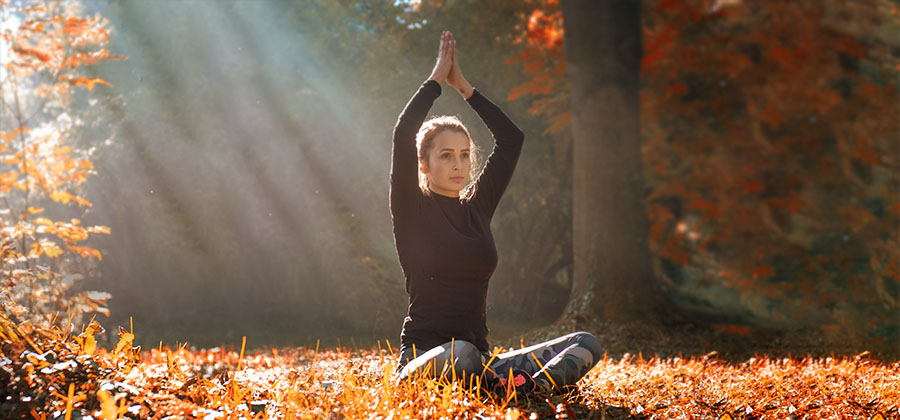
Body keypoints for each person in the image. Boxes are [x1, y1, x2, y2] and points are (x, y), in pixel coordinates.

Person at [390, 30, 602, 395]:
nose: (458, 164)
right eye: (445, 155)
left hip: (483, 360)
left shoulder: (477, 207)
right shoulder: (411, 208)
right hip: (427, 358)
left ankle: (521, 388)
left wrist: (466, 89)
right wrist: (436, 81)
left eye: (463, 155)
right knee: (463, 354)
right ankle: (509, 388)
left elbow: (511, 140)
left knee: (586, 344)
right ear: (422, 164)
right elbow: (403, 133)